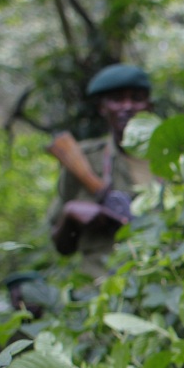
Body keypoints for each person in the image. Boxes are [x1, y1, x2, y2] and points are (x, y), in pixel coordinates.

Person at [47, 63, 155, 280]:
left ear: (149, 106)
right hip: (103, 286)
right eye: (117, 100)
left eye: (136, 98)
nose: (127, 107)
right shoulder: (85, 161)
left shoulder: (175, 159)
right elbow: (62, 246)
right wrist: (71, 215)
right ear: (102, 108)